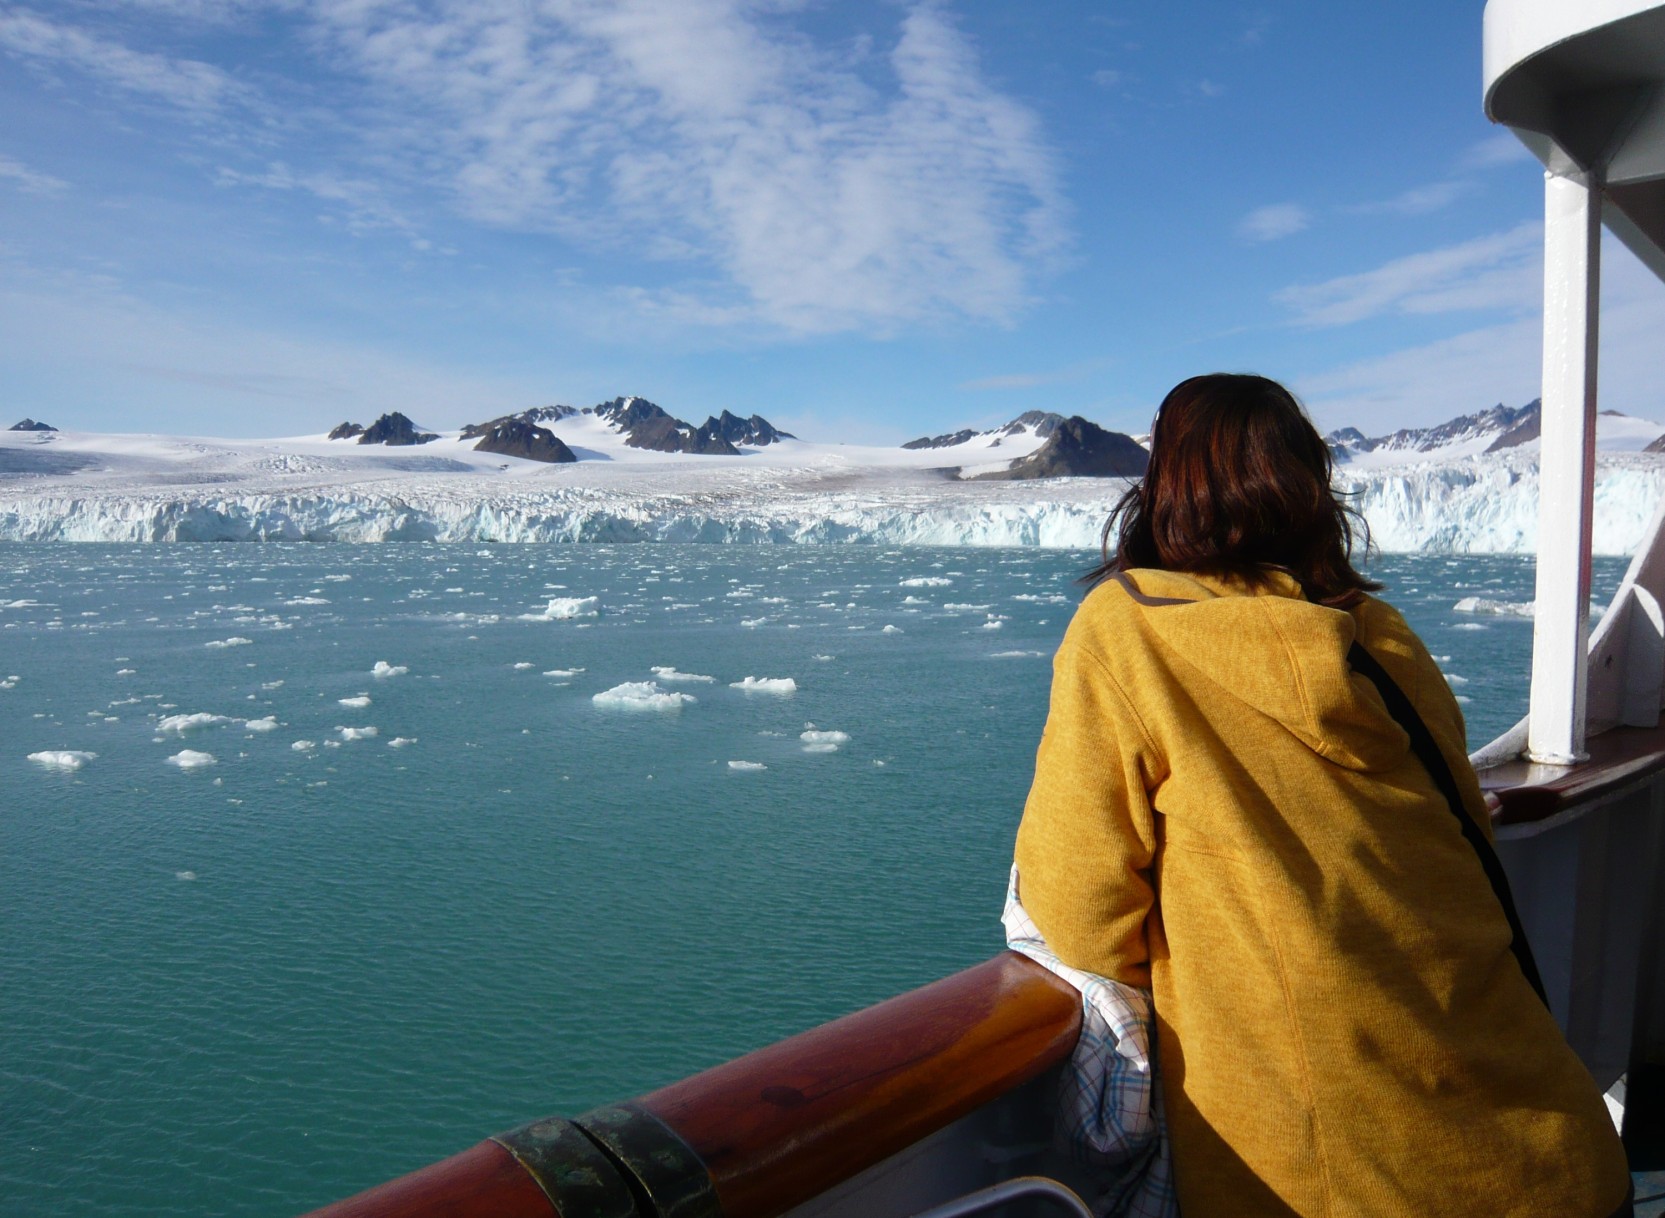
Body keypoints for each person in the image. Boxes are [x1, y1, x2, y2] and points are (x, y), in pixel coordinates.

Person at [1012, 374, 1632, 1218]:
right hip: (1543, 1147)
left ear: (1165, 487)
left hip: (1331, 1172)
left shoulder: (1126, 633)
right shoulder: (1378, 636)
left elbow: (1079, 902)